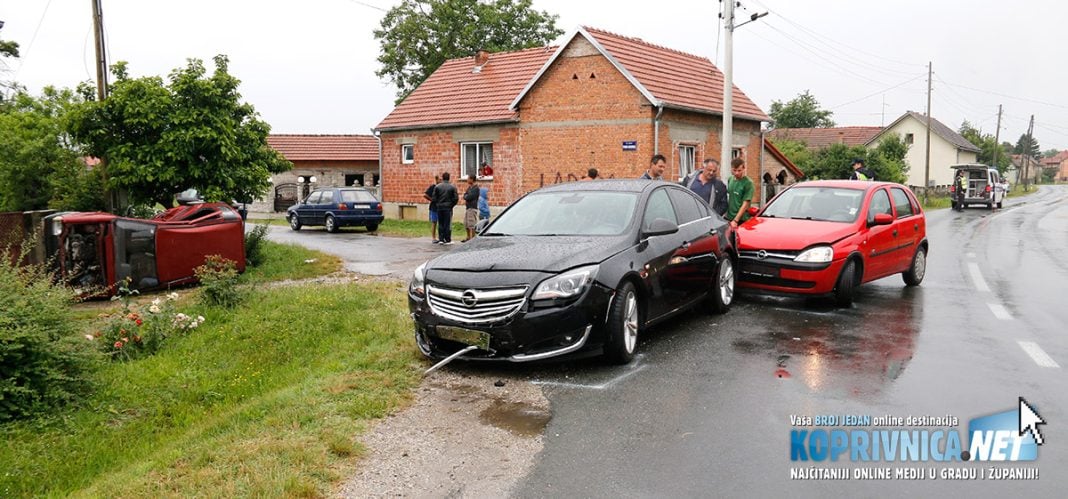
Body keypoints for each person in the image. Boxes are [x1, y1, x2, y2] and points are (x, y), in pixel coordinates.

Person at [725, 157, 754, 229]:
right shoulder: (730, 179)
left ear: (744, 169)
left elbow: (746, 204)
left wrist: (736, 220)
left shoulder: (748, 183)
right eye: (734, 170)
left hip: (741, 219)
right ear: (731, 169)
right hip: (729, 217)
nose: (737, 173)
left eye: (739, 170)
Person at [431, 172, 459, 244]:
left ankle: (441, 239)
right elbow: (456, 198)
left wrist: (438, 204)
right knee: (447, 223)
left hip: (440, 207)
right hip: (448, 207)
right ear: (449, 178)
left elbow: (434, 198)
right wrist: (451, 205)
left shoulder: (437, 187)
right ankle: (447, 239)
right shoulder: (452, 187)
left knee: (440, 223)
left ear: (442, 178)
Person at [462, 175, 480, 242]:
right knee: (466, 223)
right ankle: (468, 237)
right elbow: (465, 195)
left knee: (472, 224)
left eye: (468, 179)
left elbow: (469, 197)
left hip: (472, 208)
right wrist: (466, 196)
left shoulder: (476, 188)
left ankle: (472, 238)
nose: (467, 180)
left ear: (472, 179)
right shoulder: (469, 188)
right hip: (468, 207)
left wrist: (466, 196)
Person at [423, 174, 440, 242]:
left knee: (440, 223)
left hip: (440, 207)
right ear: (436, 180)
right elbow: (425, 195)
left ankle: (440, 237)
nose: (441, 181)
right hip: (434, 208)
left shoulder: (442, 187)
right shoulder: (433, 187)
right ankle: (433, 237)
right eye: (439, 179)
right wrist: (432, 199)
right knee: (434, 222)